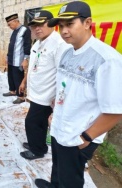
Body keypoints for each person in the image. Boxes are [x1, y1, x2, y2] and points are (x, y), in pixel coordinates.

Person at [34, 1, 122, 188]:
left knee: (70, 180)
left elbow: (115, 110)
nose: (64, 31)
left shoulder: (107, 60)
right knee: (58, 168)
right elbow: (64, 89)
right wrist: (55, 114)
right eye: (61, 26)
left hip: (78, 136)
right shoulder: (67, 53)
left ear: (88, 23)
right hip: (60, 127)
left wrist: (87, 137)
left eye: (70, 24)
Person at [18, 10, 71, 160]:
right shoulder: (39, 42)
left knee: (32, 122)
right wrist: (24, 82)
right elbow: (34, 66)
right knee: (39, 123)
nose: (37, 28)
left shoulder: (59, 44)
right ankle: (38, 144)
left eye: (41, 24)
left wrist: (58, 95)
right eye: (34, 25)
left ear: (51, 24)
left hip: (47, 95)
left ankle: (37, 150)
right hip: (36, 93)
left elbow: (64, 74)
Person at [3, 13, 31, 104]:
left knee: (18, 77)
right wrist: (7, 56)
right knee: (10, 76)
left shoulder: (25, 30)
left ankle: (21, 96)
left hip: (19, 59)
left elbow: (27, 45)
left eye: (9, 24)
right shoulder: (14, 31)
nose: (9, 26)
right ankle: (12, 91)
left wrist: (25, 59)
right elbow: (11, 45)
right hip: (11, 58)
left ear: (15, 21)